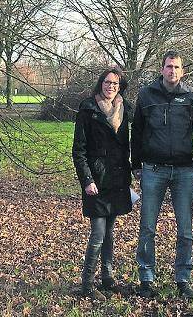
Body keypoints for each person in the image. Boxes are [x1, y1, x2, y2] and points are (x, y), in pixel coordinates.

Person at [131, 50, 193, 299]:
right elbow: (136, 131)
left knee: (185, 229)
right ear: (161, 69)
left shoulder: (192, 97)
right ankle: (146, 277)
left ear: (182, 71)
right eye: (168, 66)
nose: (172, 71)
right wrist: (136, 165)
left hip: (185, 171)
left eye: (176, 67)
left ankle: (183, 277)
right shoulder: (146, 95)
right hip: (153, 169)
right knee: (147, 227)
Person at [72, 68, 133, 300]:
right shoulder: (88, 109)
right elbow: (79, 150)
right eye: (107, 82)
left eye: (115, 84)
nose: (111, 87)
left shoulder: (123, 109)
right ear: (100, 84)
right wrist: (86, 180)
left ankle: (107, 279)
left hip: (117, 180)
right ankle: (87, 284)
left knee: (110, 233)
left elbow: (127, 144)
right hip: (96, 181)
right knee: (97, 233)